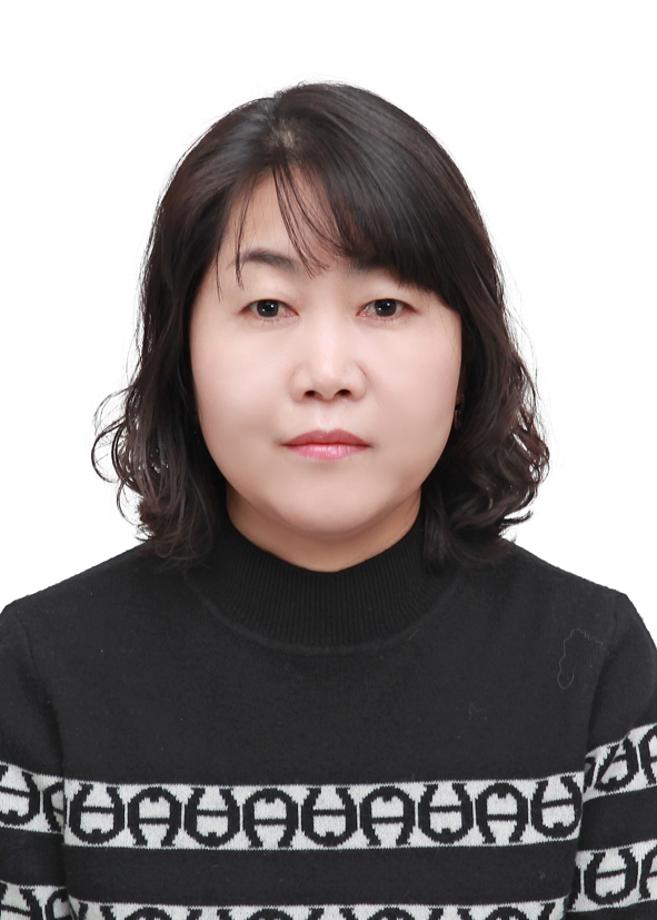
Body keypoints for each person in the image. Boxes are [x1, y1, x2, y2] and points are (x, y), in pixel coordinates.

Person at [1, 81, 655, 918]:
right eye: (267, 306)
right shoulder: (39, 672)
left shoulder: (592, 663)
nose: (326, 373)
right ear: (179, 352)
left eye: (384, 305)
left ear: (468, 352)